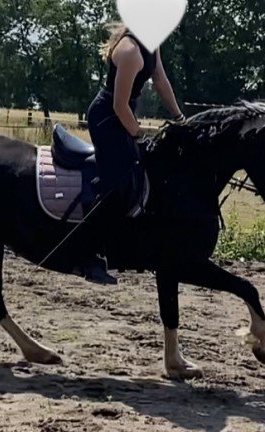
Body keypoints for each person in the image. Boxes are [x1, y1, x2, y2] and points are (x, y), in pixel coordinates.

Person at [83, 23, 186, 284]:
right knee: (118, 182)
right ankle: (91, 255)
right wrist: (138, 133)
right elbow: (118, 104)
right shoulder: (130, 51)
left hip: (122, 114)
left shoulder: (152, 42)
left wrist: (180, 118)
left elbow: (160, 79)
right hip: (107, 118)